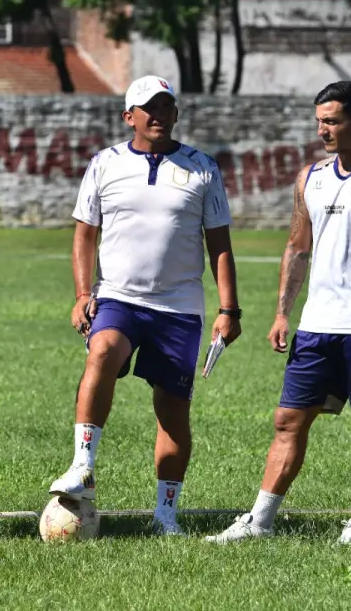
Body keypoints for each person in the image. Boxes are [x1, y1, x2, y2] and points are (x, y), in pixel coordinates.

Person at [207, 81, 351, 545]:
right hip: (315, 326)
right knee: (288, 420)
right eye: (319, 120)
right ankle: (260, 521)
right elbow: (297, 247)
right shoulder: (310, 178)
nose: (321, 129)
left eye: (332, 120)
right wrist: (283, 312)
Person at [49, 75, 242, 536]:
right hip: (118, 296)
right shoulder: (104, 164)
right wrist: (82, 293)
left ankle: (165, 516)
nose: (157, 115)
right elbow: (84, 232)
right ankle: (82, 465)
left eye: (165, 106)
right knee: (103, 350)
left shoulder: (203, 169)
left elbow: (219, 242)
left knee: (172, 413)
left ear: (176, 113)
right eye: (146, 107)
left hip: (179, 308)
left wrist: (229, 309)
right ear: (128, 116)